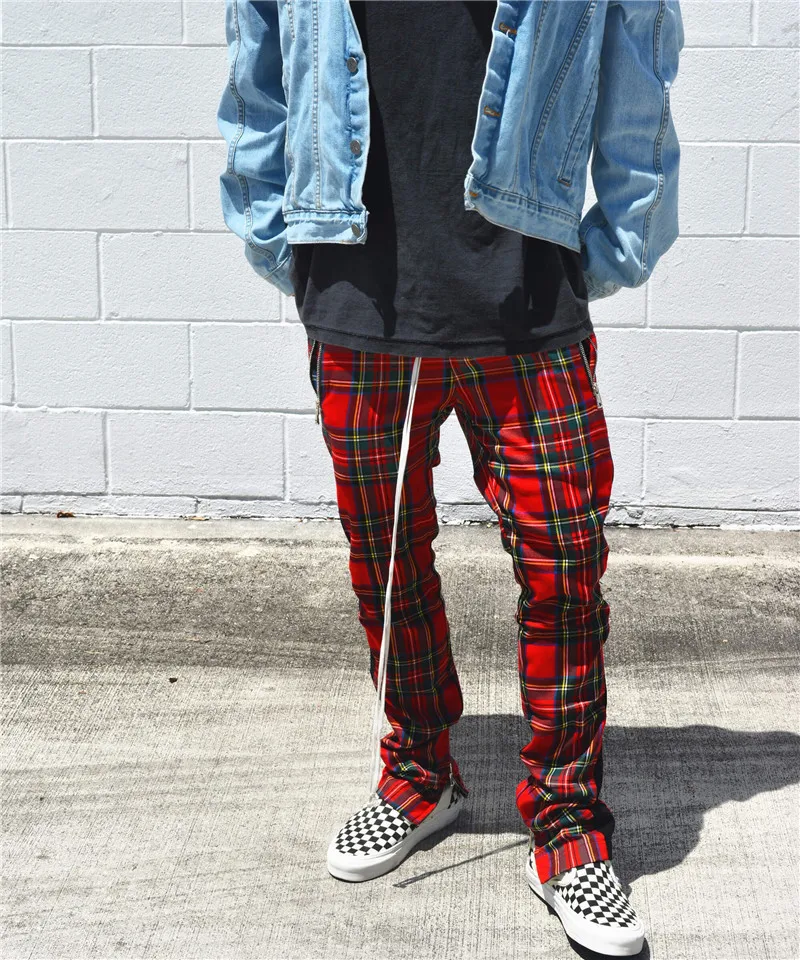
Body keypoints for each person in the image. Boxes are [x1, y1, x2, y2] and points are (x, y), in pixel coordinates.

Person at [217, 1, 683, 955]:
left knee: (564, 567)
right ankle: (419, 774)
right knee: (385, 562)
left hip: (527, 286)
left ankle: (567, 823)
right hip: (356, 286)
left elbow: (637, 71)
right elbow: (257, 79)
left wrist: (614, 247)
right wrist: (280, 241)